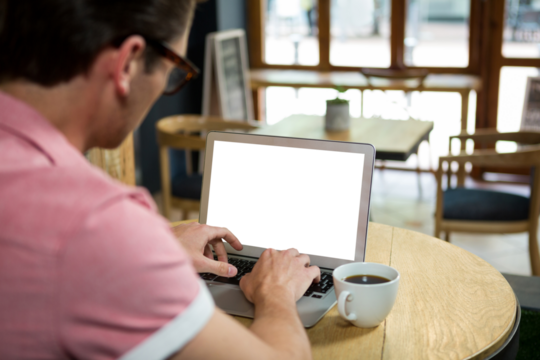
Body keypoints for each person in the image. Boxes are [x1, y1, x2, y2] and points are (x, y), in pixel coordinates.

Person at [0, 1, 321, 359]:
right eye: (174, 70)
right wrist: (275, 292)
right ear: (128, 63)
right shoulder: (96, 224)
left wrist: (156, 245)